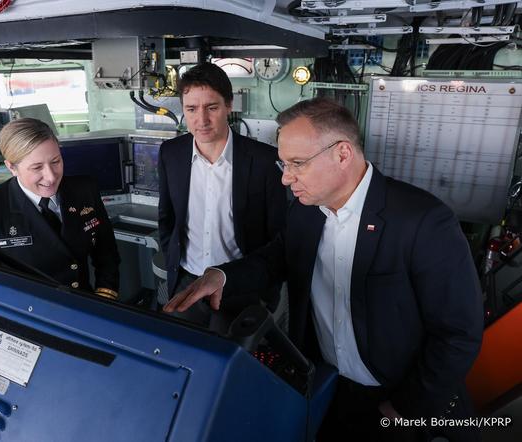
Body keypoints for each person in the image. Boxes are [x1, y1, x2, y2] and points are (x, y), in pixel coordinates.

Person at [164, 98, 483, 441]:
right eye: (283, 164)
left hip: (398, 399)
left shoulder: (423, 222)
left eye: (297, 164)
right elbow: (276, 258)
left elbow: (457, 334)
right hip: (327, 387)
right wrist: (222, 276)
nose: (286, 179)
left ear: (342, 154)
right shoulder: (306, 210)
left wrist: (406, 407)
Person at [157, 62, 287, 322]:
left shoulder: (264, 161)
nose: (201, 120)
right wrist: (174, 260)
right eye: (191, 109)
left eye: (212, 108)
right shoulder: (170, 153)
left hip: (242, 287)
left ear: (229, 105)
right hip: (187, 281)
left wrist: (262, 292)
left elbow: (279, 237)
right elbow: (167, 217)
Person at [0, 118, 120, 300]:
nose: (51, 177)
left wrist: (104, 297)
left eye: (56, 161)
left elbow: (106, 252)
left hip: (81, 303)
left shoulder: (84, 190)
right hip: (27, 311)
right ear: (12, 167)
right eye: (37, 167)